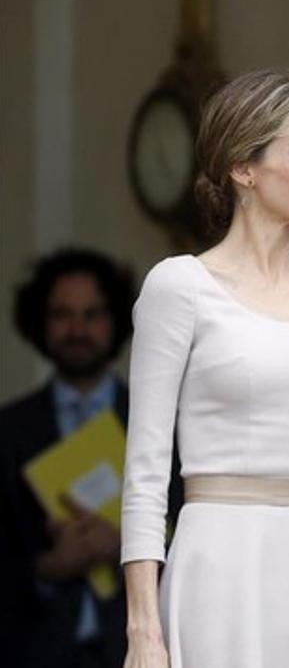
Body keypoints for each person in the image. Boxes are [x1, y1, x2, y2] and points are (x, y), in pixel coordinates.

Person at [119, 69, 289, 667]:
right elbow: (144, 471)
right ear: (244, 167)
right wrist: (144, 631)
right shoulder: (179, 286)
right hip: (220, 562)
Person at [0, 248, 180, 667]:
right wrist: (46, 568)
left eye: (92, 314)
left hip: (141, 646)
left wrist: (128, 543)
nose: (77, 329)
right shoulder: (9, 430)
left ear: (115, 320)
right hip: (33, 649)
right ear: (39, 323)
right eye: (62, 315)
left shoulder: (159, 420)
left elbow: (193, 525)